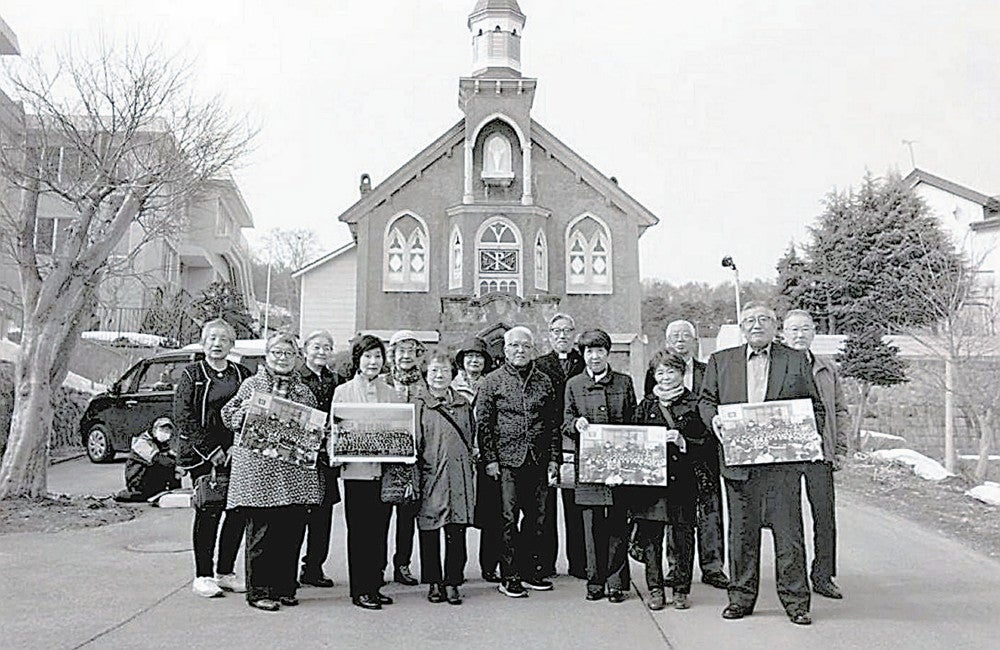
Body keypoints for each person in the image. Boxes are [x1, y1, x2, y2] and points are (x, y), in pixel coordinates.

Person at [699, 302, 825, 626]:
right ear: (742, 328)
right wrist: (714, 421)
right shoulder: (720, 361)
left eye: (764, 320)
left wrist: (807, 439)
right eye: (750, 321)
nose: (757, 325)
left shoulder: (794, 360)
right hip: (739, 466)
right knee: (742, 536)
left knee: (789, 536)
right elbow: (706, 401)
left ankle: (797, 602)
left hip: (781, 467)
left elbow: (816, 408)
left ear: (775, 326)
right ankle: (740, 598)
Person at [222, 333, 323, 612]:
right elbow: (228, 416)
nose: (282, 358)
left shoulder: (305, 392)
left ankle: (284, 587)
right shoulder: (251, 385)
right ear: (267, 356)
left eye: (288, 354)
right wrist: (242, 413)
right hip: (259, 471)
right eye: (277, 353)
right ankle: (259, 592)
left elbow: (313, 430)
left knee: (290, 533)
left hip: (293, 473)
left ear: (297, 358)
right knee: (261, 534)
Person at [476, 326, 560, 598]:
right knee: (507, 519)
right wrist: (490, 459)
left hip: (537, 459)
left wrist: (554, 459)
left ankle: (529, 570)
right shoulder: (491, 381)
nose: (520, 351)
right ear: (505, 349)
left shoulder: (544, 381)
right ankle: (509, 576)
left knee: (537, 519)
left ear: (532, 349)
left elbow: (553, 424)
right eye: (514, 346)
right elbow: (484, 424)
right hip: (507, 461)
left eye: (525, 346)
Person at [646, 320, 728, 591]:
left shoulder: (709, 370)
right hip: (672, 457)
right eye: (674, 336)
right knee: (675, 513)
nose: (680, 340)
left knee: (710, 510)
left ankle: (713, 567)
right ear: (667, 341)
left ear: (695, 341)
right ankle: (676, 568)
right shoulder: (657, 372)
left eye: (685, 336)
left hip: (705, 452)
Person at [174, 319, 252, 599]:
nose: (217, 344)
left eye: (223, 339)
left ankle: (226, 572)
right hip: (204, 457)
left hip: (237, 453)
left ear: (232, 344)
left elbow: (251, 412)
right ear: (203, 342)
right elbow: (184, 416)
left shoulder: (243, 375)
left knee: (237, 514)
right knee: (208, 512)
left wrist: (235, 445)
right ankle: (203, 575)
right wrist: (211, 450)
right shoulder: (192, 373)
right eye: (211, 338)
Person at [562, 329, 636, 603]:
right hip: (589, 466)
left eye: (599, 351)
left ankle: (617, 582)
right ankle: (595, 581)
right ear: (583, 355)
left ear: (607, 353)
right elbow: (565, 421)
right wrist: (575, 424)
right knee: (591, 524)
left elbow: (633, 421)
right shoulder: (574, 384)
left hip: (619, 465)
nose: (594, 356)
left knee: (618, 521)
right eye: (589, 351)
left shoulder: (624, 382)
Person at [633, 351, 709, 611]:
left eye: (671, 372)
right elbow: (633, 439)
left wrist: (683, 442)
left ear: (681, 373)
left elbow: (707, 445)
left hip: (683, 481)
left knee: (683, 536)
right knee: (651, 538)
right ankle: (655, 589)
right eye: (660, 373)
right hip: (651, 483)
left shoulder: (695, 403)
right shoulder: (647, 405)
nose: (665, 378)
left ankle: (680, 589)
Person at [782, 309, 850, 600]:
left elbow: (840, 409)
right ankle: (792, 578)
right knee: (788, 518)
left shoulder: (827, 368)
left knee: (824, 516)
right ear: (783, 334)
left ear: (814, 333)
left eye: (806, 329)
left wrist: (841, 447)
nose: (800, 335)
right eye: (794, 330)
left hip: (820, 454)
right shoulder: (774, 366)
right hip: (784, 456)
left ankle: (823, 575)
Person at [333, 334, 399, 610]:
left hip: (383, 474)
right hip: (356, 473)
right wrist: (336, 453)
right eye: (367, 356)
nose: (373, 361)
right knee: (360, 532)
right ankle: (360, 589)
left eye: (377, 356)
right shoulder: (343, 391)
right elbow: (335, 431)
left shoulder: (392, 393)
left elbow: (398, 431)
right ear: (357, 360)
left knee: (380, 530)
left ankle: (374, 583)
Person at [416, 349, 477, 605]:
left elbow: (472, 437)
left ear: (453, 373)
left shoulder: (463, 404)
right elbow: (415, 444)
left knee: (457, 530)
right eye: (433, 370)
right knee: (430, 530)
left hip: (460, 476)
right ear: (425, 375)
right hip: (431, 475)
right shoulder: (419, 405)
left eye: (444, 370)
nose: (439, 375)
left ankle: (453, 581)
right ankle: (434, 582)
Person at [534, 313, 587, 579]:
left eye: (567, 330)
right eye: (556, 331)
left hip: (576, 442)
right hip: (546, 442)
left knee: (575, 505)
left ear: (574, 333)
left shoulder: (583, 362)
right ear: (549, 334)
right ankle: (545, 562)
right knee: (545, 507)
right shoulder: (539, 364)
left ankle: (578, 562)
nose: (562, 335)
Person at [452, 338, 503, 582]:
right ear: (461, 360)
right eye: (469, 356)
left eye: (479, 357)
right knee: (458, 514)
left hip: (486, 455)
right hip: (459, 457)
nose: (474, 361)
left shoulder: (491, 384)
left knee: (491, 513)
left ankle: (489, 565)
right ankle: (456, 568)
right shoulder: (451, 386)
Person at [296, 330, 344, 589]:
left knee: (323, 516)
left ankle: (313, 567)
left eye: (327, 347)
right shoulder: (294, 378)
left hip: (326, 457)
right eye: (316, 347)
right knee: (296, 515)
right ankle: (288, 571)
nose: (322, 352)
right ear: (305, 350)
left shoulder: (336, 380)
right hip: (300, 456)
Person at [383, 329, 429, 587]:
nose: (406, 356)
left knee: (407, 517)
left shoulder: (425, 383)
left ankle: (403, 564)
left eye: (411, 350)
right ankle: (378, 566)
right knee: (380, 517)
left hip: (415, 459)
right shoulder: (383, 382)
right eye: (401, 350)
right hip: (385, 459)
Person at [113, 417, 180, 502]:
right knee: (166, 463)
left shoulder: (161, 443)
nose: (165, 433)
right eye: (162, 429)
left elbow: (172, 456)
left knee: (171, 462)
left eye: (167, 431)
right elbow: (157, 459)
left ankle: (174, 491)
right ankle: (130, 494)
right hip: (138, 480)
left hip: (150, 478)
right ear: (154, 429)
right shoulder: (142, 442)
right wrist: (177, 467)